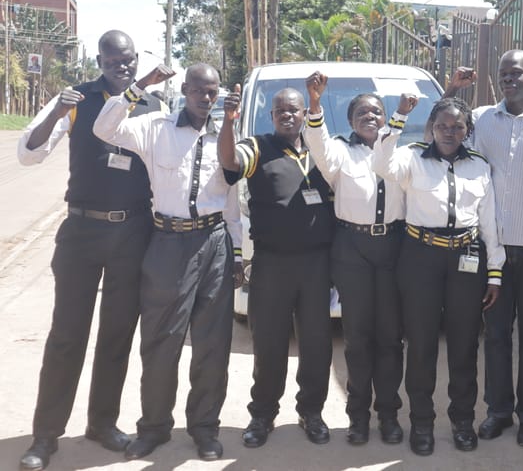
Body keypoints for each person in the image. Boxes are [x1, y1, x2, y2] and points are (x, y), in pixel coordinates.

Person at [16, 30, 159, 471]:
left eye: (130, 59)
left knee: (117, 336)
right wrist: (57, 109)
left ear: (137, 59)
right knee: (66, 336)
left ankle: (102, 423)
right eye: (114, 60)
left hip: (132, 233)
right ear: (99, 60)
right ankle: (45, 436)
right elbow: (28, 153)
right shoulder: (76, 98)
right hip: (82, 232)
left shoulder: (155, 105)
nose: (123, 66)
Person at [93, 63, 243, 462]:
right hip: (167, 243)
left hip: (214, 242)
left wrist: (239, 253)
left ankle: (204, 428)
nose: (205, 99)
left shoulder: (225, 136)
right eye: (198, 90)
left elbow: (231, 201)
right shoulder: (154, 127)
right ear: (186, 90)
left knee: (213, 344)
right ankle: (154, 428)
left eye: (211, 92)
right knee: (161, 341)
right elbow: (103, 128)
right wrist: (139, 86)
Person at [372, 96, 505, 456]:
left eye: (457, 126)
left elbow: (489, 222)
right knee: (422, 343)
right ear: (431, 127)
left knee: (464, 344)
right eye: (443, 125)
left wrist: (494, 273)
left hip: (466, 256)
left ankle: (463, 420)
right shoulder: (411, 157)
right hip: (420, 257)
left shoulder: (479, 166)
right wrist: (399, 116)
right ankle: (422, 421)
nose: (449, 132)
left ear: (467, 130)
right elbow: (380, 163)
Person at [444, 52, 523, 447]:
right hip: (491, 248)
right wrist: (452, 90)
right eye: (503, 73)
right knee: (494, 333)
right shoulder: (480, 120)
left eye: (517, 72)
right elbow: (442, 136)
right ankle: (497, 411)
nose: (509, 79)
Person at [217, 81, 335, 447]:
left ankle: (311, 412)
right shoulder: (257, 146)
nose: (287, 115)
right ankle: (262, 415)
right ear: (272, 116)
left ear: (305, 114)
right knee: (268, 344)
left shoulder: (323, 149)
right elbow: (230, 162)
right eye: (280, 110)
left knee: (317, 344)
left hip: (317, 265)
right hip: (271, 264)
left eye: (294, 110)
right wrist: (228, 121)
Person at [303, 72, 417, 445]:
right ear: (351, 121)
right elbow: (316, 143)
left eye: (376, 111)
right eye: (362, 113)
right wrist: (315, 103)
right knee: (357, 339)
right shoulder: (339, 152)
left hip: (392, 251)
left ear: (386, 118)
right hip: (352, 249)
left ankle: (388, 415)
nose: (370, 116)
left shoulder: (401, 151)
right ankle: (358, 418)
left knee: (390, 337)